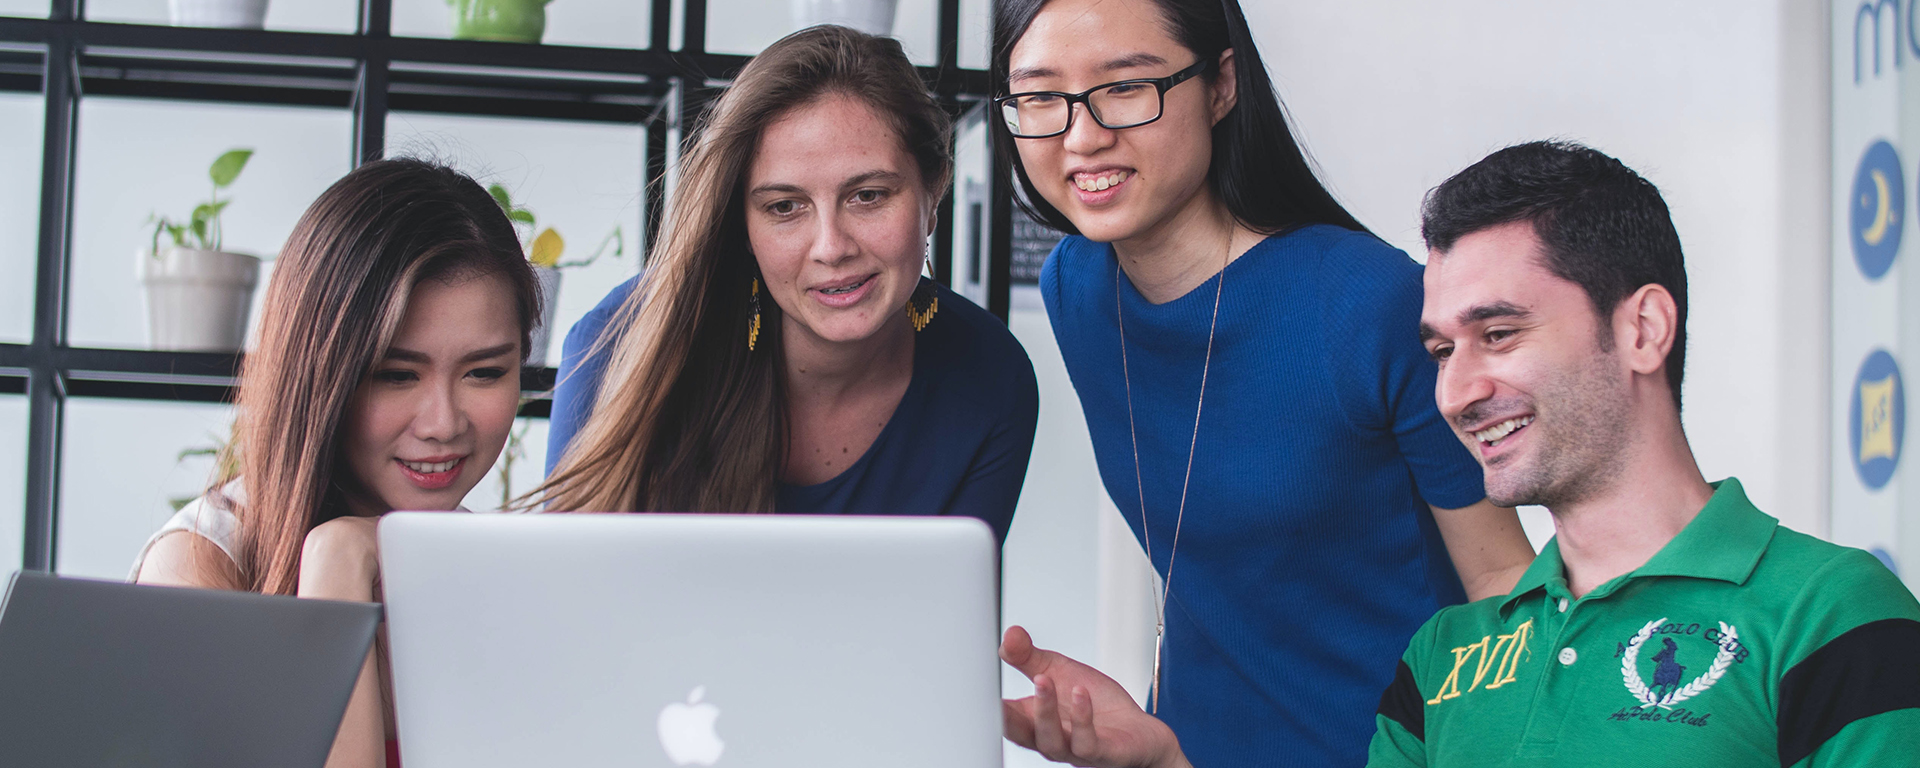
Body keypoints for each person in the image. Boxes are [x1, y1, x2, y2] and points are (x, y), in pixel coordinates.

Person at [996, 141, 1920, 768]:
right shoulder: (1443, 660)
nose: (1457, 389)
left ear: (1643, 328)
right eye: (1441, 349)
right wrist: (1168, 759)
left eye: (1501, 333)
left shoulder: (1830, 614)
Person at [990, 0, 1535, 762]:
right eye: (1041, 96)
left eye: (1126, 86)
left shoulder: (1368, 303)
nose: (1083, 135)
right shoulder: (1077, 289)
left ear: (1221, 83)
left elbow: (1505, 585)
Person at [537, 25, 1038, 541]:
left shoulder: (991, 378)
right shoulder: (621, 343)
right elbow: (571, 601)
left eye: (867, 195)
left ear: (933, 192)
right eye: (784, 207)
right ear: (743, 227)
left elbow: (948, 613)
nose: (831, 246)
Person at [131, 158, 541, 768]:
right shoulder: (199, 564)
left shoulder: (498, 576)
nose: (443, 423)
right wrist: (337, 563)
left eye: (485, 372)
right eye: (396, 375)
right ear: (319, 376)